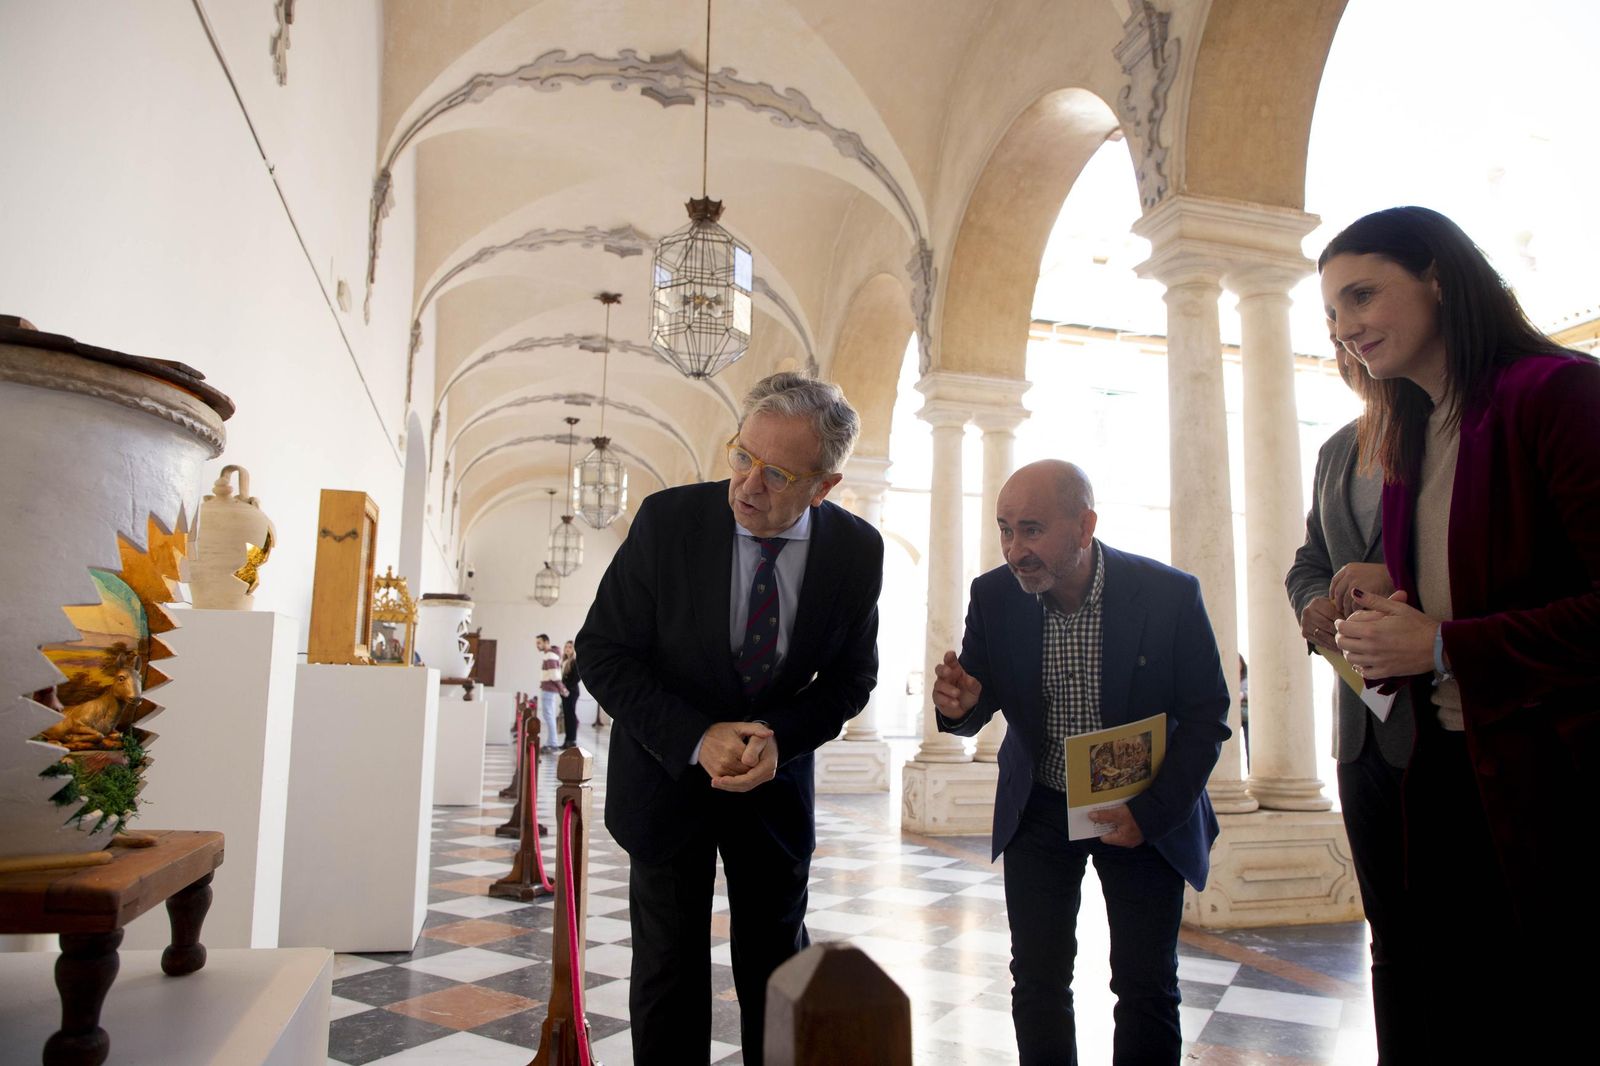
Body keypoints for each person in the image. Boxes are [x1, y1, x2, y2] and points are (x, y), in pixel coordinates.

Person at [1321, 205, 1599, 1058]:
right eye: (1332, 315)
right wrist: (1388, 594)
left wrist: (1442, 645)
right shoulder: (1410, 425)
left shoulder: (1559, 392)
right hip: (1442, 778)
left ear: (1438, 278)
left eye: (1363, 295)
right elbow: (1475, 585)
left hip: (1555, 794)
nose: (1347, 328)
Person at [578, 371, 882, 1066]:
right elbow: (602, 652)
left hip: (771, 792)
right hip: (664, 777)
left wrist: (782, 738)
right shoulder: (668, 522)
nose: (747, 486)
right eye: (741, 456)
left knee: (778, 970)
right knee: (668, 970)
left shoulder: (855, 552)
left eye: (776, 474)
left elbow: (849, 679)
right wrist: (695, 736)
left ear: (824, 486)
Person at [932, 460, 1229, 1066]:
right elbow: (977, 695)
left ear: (1085, 524)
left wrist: (1150, 814)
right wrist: (961, 707)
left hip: (1140, 807)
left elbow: (1206, 718)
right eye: (1005, 530)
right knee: (1037, 981)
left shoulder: (1168, 595)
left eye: (1033, 530)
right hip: (1040, 807)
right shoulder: (994, 595)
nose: (1016, 550)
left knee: (1146, 985)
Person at [1284, 334, 1414, 1063]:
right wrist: (1310, 605)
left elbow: (1475, 553)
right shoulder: (1336, 450)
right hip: (1361, 723)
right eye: (1331, 335)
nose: (1345, 346)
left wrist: (1392, 570)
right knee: (1387, 935)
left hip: (1440, 716)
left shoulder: (1443, 432)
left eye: (1360, 314)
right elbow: (1309, 562)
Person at [535, 634, 564, 752]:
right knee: (549, 716)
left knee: (549, 716)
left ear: (546, 642)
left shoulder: (550, 655)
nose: (537, 645)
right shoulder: (550, 655)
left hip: (548, 689)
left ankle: (552, 743)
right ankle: (552, 742)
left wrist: (563, 689)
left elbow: (554, 674)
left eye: (539, 643)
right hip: (548, 688)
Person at [559, 639, 581, 749]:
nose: (567, 649)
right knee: (567, 716)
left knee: (571, 716)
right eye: (566, 647)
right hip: (564, 692)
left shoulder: (574, 661)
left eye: (570, 647)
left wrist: (567, 687)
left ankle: (572, 740)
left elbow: (577, 677)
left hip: (572, 692)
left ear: (573, 649)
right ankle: (567, 740)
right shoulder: (564, 660)